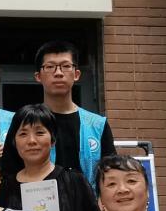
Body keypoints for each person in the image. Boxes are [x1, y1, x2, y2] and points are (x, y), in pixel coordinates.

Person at [34, 40, 116, 185]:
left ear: (76, 74)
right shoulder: (26, 122)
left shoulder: (97, 125)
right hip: (39, 199)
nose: (58, 73)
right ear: (38, 76)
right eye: (50, 67)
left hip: (88, 200)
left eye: (66, 66)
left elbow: (111, 174)